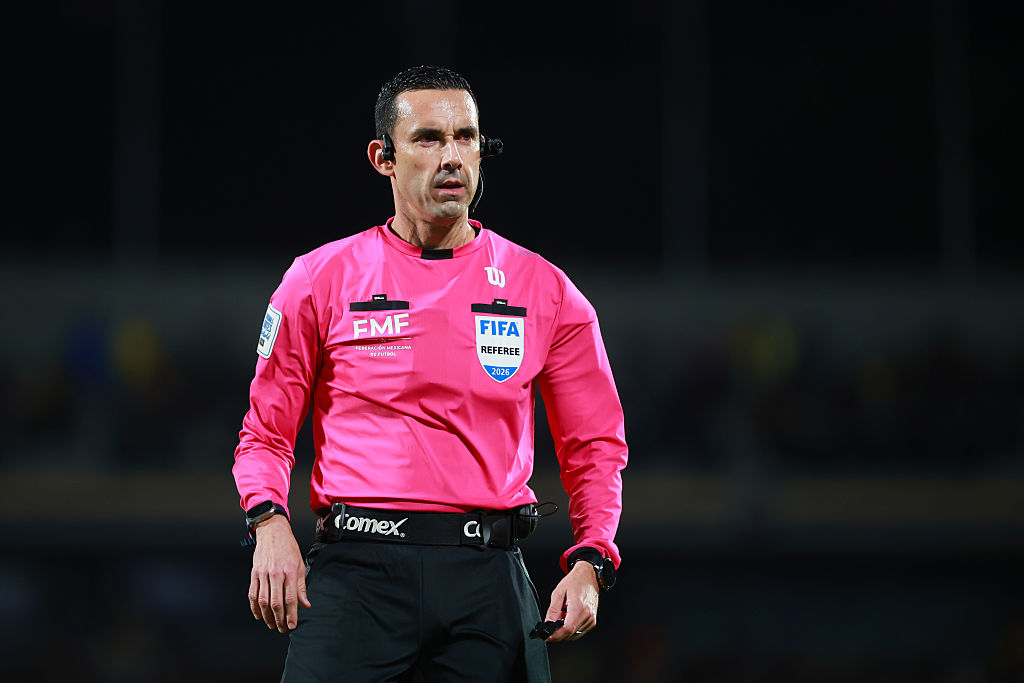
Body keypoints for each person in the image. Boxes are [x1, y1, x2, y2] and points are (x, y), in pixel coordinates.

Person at [232, 65, 627, 682]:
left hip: (487, 578)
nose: (452, 157)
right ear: (382, 157)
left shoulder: (546, 291)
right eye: (429, 139)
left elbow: (596, 447)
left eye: (466, 138)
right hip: (356, 575)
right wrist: (268, 522)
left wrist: (591, 561)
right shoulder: (317, 280)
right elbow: (265, 434)